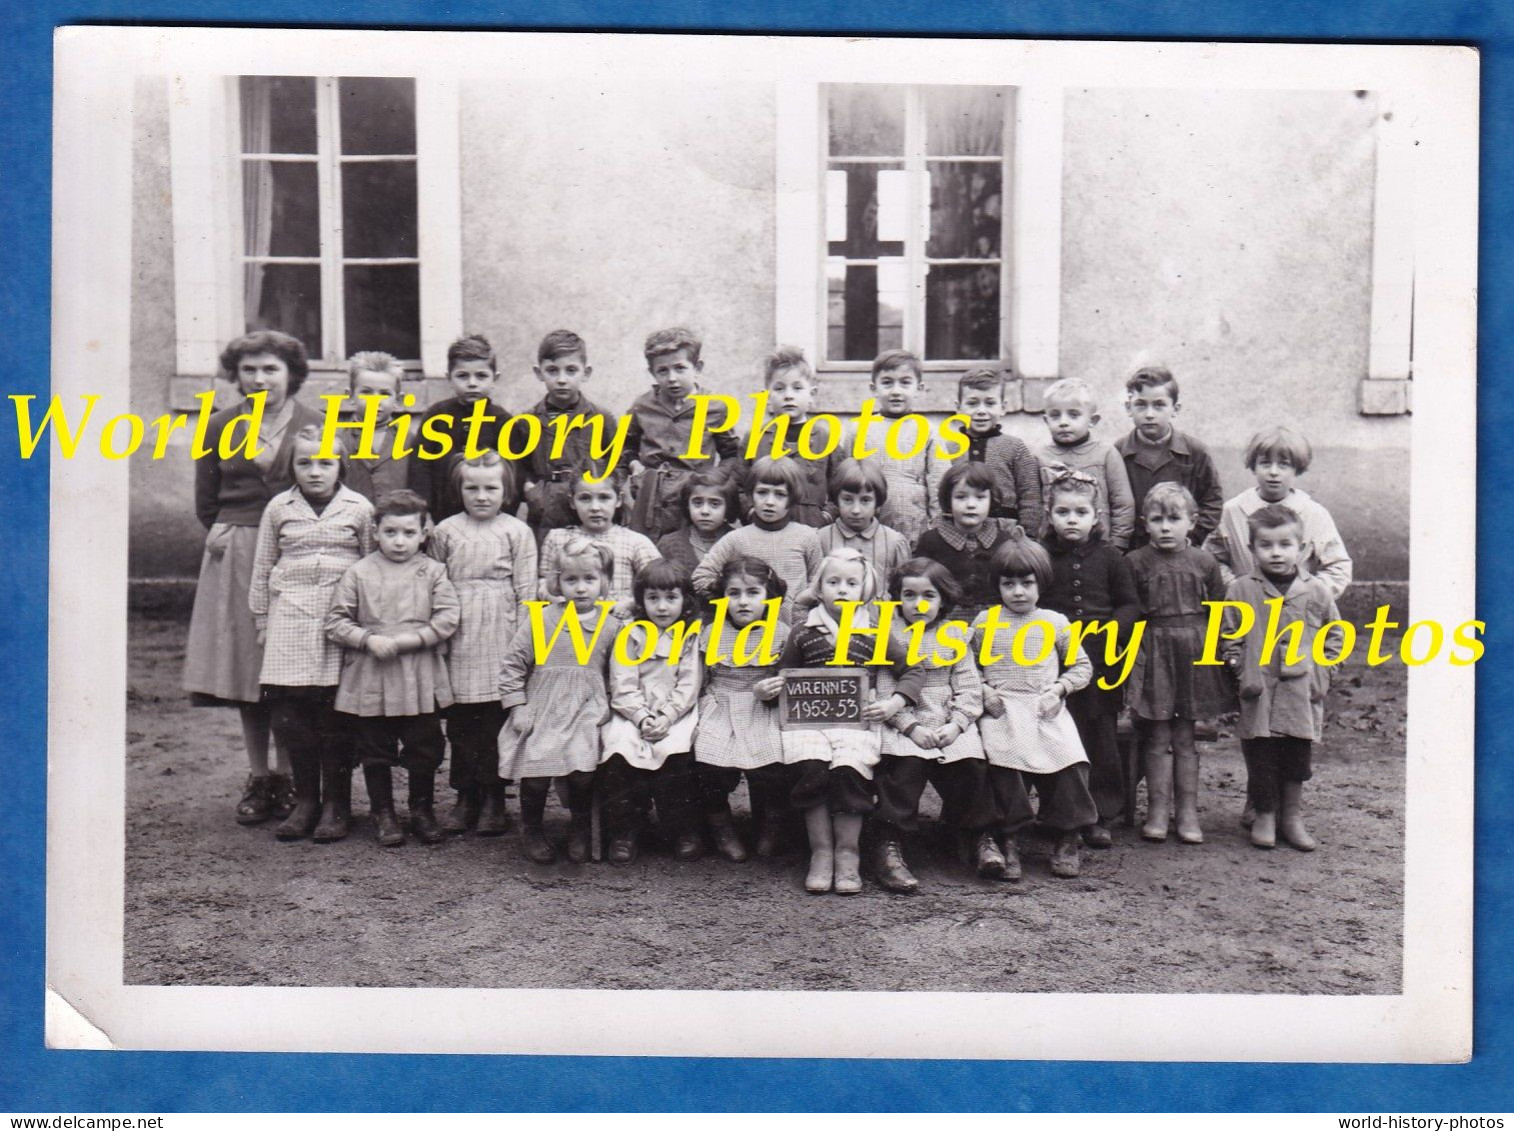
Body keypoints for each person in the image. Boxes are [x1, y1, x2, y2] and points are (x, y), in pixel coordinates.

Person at [183, 329, 324, 825]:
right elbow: (206, 500)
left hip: (299, 552)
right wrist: (229, 531)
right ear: (236, 376)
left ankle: (291, 776)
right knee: (249, 669)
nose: (260, 379)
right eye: (250, 370)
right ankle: (259, 775)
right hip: (238, 552)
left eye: (271, 369)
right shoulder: (219, 424)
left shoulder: (315, 423)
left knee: (289, 667)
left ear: (292, 374)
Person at [248, 426, 374, 842]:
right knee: (290, 713)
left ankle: (338, 804)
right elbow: (263, 567)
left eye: (325, 462)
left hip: (341, 620)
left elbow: (374, 570)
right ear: (292, 467)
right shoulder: (278, 508)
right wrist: (264, 621)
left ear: (341, 465)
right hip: (290, 618)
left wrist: (368, 625)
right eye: (305, 463)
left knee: (335, 713)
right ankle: (306, 801)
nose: (315, 472)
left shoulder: (358, 508)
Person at [778, 548, 928, 895]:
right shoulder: (803, 631)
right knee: (811, 767)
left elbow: (911, 670)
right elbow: (782, 674)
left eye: (851, 583)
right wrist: (768, 686)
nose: (842, 590)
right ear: (819, 588)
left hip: (855, 722)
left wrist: (894, 702)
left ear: (865, 590)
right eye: (833, 582)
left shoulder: (875, 631)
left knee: (849, 771)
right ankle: (821, 852)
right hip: (809, 723)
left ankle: (848, 853)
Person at [325, 489, 461, 848]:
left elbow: (448, 618)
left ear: (423, 532)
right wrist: (368, 640)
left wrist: (408, 641)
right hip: (373, 674)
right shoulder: (359, 572)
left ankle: (421, 810)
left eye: (408, 533)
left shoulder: (433, 571)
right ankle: (383, 812)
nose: (399, 542)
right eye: (390, 532)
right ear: (376, 531)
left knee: (424, 744)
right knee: (374, 747)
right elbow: (336, 621)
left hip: (418, 672)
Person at [871, 558, 1002, 892]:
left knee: (972, 765)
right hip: (904, 722)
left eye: (929, 595)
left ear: (943, 598)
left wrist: (957, 725)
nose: (919, 604)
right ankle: (889, 847)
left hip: (948, 720)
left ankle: (978, 837)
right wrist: (911, 727)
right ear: (897, 598)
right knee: (903, 770)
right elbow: (885, 692)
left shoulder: (955, 635)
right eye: (909, 595)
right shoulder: (888, 636)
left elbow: (970, 689)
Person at [1220, 504, 1344, 851]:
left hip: (1300, 690)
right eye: (1266, 545)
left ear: (1301, 548)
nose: (1276, 552)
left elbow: (1334, 634)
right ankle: (1264, 814)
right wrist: (1241, 667)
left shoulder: (1316, 589)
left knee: (1295, 754)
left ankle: (1291, 818)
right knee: (1260, 753)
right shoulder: (1241, 590)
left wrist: (1323, 669)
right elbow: (1229, 634)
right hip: (1258, 689)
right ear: (1252, 549)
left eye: (1285, 544)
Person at [974, 531, 1096, 879]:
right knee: (1003, 763)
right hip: (1003, 707)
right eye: (1008, 583)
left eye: (1026, 582)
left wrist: (1058, 689)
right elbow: (967, 666)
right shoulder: (985, 622)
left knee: (1070, 760)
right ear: (997, 586)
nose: (1018, 591)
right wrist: (985, 692)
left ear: (1041, 583)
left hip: (1045, 707)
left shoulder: (1055, 623)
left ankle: (1067, 835)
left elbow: (1082, 667)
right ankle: (1010, 837)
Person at [428, 452, 538, 836]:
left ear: (506, 491)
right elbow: (434, 582)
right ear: (458, 491)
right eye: (471, 488)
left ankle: (494, 797)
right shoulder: (445, 531)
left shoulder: (516, 531)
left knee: (495, 717)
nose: (481, 496)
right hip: (459, 627)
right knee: (461, 721)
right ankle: (465, 796)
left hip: (501, 628)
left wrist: (523, 640)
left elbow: (526, 590)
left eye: (491, 488)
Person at [497, 536, 623, 865]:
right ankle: (532, 828)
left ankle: (580, 828)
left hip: (588, 709)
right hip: (543, 707)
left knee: (582, 771)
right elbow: (512, 665)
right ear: (557, 582)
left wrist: (610, 706)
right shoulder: (540, 621)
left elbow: (618, 672)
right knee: (536, 773)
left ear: (604, 583)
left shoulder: (612, 626)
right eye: (571, 580)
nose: (581, 588)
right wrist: (517, 706)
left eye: (589, 579)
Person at [1124, 483, 1234, 844]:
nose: (1166, 527)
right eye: (1157, 520)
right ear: (1145, 524)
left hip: (1194, 653)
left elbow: (1218, 609)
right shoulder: (1135, 562)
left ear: (1193, 522)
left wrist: (1219, 655)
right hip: (1154, 651)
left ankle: (1187, 813)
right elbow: (1129, 612)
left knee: (1186, 738)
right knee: (1156, 737)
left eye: (1174, 519)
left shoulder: (1205, 562)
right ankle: (1156, 811)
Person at [1037, 469, 1140, 848]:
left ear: (1097, 517)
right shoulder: (1043, 556)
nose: (1071, 519)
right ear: (1050, 516)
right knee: (1058, 735)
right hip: (1055, 661)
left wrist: (1111, 631)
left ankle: (1099, 814)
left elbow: (1130, 605)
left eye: (1081, 512)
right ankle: (1058, 811)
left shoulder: (1111, 557)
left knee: (1100, 736)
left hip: (1101, 661)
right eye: (1063, 512)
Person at [599, 559, 704, 865]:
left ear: (684, 600)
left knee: (677, 755)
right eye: (653, 598)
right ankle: (626, 830)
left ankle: (683, 830)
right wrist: (642, 717)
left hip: (676, 714)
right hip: (633, 713)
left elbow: (688, 685)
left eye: (671, 598)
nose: (662, 607)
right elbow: (622, 682)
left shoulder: (689, 635)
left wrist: (667, 717)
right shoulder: (630, 633)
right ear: (641, 600)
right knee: (619, 751)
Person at [692, 557, 793, 863]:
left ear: (769, 596)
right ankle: (722, 827)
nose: (743, 601)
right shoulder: (711, 632)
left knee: (772, 762)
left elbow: (791, 678)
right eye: (734, 593)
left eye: (753, 593)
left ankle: (770, 826)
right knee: (708, 759)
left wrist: (772, 690)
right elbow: (699, 678)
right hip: (720, 702)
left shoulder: (781, 633)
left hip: (763, 707)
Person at [1204, 425, 1353, 598]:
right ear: (1253, 466)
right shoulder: (1232, 511)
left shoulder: (1314, 513)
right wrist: (1237, 589)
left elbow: (1338, 566)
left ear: (1297, 468)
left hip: (1297, 611)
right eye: (1265, 463)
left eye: (1283, 465)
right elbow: (1212, 560)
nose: (1273, 472)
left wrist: (1308, 594)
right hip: (1246, 608)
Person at [625, 327, 739, 539]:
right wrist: (636, 467)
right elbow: (625, 446)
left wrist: (710, 479)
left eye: (680, 368)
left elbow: (732, 454)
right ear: (652, 373)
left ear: (697, 367)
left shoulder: (715, 408)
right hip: (650, 497)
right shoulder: (641, 406)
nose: (672, 378)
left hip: (693, 500)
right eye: (663, 371)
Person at [1114, 366, 1224, 550]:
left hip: (1182, 549)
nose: (1149, 414)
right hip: (1132, 553)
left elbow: (1212, 501)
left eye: (1159, 405)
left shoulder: (1195, 451)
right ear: (1128, 408)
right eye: (1141, 404)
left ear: (1175, 408)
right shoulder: (1117, 452)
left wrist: (1190, 538)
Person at [407, 333, 514, 523]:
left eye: (481, 376)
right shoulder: (436, 416)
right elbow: (420, 468)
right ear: (449, 378)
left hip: (490, 517)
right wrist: (424, 513)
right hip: (442, 515)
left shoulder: (503, 421)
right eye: (463, 376)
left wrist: (503, 515)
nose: (472, 383)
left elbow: (512, 475)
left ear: (494, 378)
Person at [518, 329, 614, 541]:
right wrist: (531, 491)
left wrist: (606, 490)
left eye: (571, 370)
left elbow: (617, 460)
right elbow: (518, 464)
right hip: (546, 508)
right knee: (548, 562)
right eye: (552, 371)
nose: (562, 379)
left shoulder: (601, 418)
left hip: (589, 503)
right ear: (539, 372)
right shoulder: (527, 421)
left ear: (586, 372)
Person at [691, 456, 822, 609]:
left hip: (795, 623)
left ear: (792, 498)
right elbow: (700, 577)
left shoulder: (807, 537)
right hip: (750, 628)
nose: (769, 502)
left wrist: (803, 600)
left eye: (779, 494)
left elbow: (819, 578)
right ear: (750, 495)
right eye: (762, 492)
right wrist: (733, 597)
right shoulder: (736, 539)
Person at [730, 345, 839, 527]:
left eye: (797, 388)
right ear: (767, 397)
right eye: (779, 389)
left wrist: (827, 516)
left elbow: (841, 484)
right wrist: (749, 512)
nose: (788, 396)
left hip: (812, 529)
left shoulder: (825, 438)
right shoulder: (755, 437)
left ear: (811, 394)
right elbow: (738, 484)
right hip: (765, 528)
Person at [928, 367, 1045, 535]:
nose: (981, 411)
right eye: (972, 403)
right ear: (958, 407)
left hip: (1005, 531)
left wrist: (1027, 535)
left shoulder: (1015, 447)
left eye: (990, 403)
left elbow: (1030, 496)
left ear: (1003, 407)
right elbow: (939, 492)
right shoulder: (948, 448)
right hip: (957, 529)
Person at [844, 349, 935, 545]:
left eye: (905, 382)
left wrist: (937, 529)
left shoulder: (927, 430)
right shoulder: (859, 429)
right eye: (887, 383)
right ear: (873, 388)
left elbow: (939, 482)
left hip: (913, 524)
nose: (896, 391)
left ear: (919, 388)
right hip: (866, 524)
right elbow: (844, 477)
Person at [1033, 377, 1136, 551]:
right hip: (1051, 549)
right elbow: (1032, 504)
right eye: (1055, 415)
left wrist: (1117, 544)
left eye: (1074, 414)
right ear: (1046, 420)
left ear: (1092, 420)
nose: (1063, 422)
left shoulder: (1106, 454)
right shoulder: (1039, 457)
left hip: (1099, 548)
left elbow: (1123, 503)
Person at [911, 462, 1023, 621]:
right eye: (961, 497)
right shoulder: (931, 541)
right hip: (944, 625)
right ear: (948, 500)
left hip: (995, 624)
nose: (971, 505)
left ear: (992, 500)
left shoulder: (1004, 542)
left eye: (980, 497)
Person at [538, 469, 660, 604]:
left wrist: (629, 604)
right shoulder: (556, 539)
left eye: (604, 498)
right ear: (572, 502)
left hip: (619, 620)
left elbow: (657, 584)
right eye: (585, 498)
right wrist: (560, 601)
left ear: (618, 500)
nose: (595, 507)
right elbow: (544, 581)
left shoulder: (636, 542)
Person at [814, 458, 912, 584]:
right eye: (848, 500)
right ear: (837, 499)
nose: (856, 510)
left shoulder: (894, 542)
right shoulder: (820, 539)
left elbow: (903, 591)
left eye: (865, 500)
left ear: (877, 501)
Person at [339, 351, 413, 504]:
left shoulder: (411, 441)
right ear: (350, 396)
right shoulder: (337, 440)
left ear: (398, 399)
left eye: (385, 393)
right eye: (366, 392)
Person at [655, 470, 738, 575]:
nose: (705, 511)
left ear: (729, 507)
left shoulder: (740, 543)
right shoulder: (669, 544)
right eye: (697, 503)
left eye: (715, 504)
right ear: (687, 505)